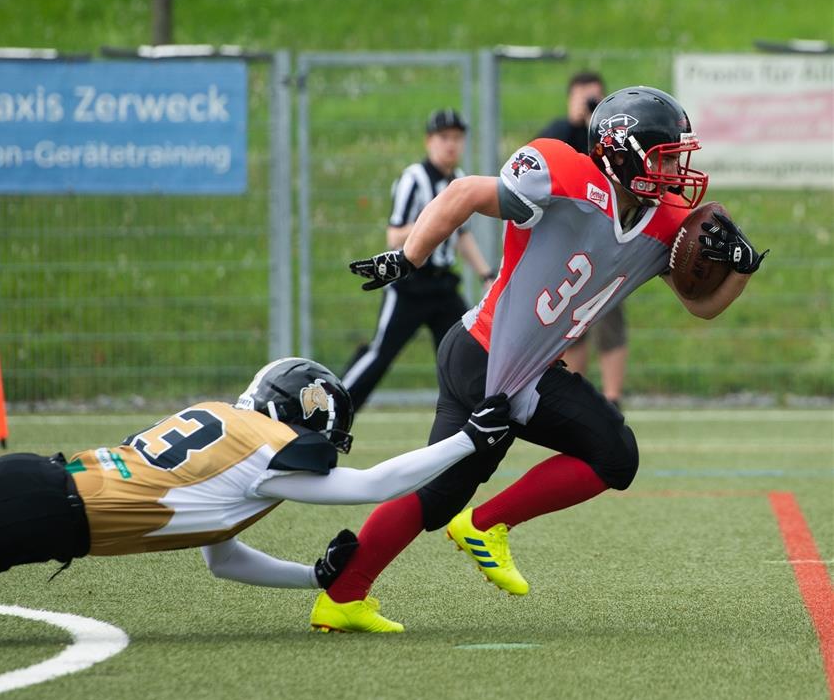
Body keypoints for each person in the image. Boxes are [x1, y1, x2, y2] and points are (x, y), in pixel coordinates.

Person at [321, 86, 767, 625]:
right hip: (484, 355)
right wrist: (407, 258)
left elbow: (703, 308)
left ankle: (461, 536)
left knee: (612, 456)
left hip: (529, 372)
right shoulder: (563, 174)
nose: (677, 170)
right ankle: (352, 590)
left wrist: (740, 270)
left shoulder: (667, 219)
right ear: (623, 152)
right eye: (665, 156)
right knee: (440, 495)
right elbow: (462, 193)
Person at [0, 358, 511, 636]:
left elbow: (218, 557)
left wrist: (310, 581)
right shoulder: (266, 453)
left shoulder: (231, 434)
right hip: (36, 510)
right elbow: (372, 483)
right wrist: (470, 440)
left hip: (36, 496)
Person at [341, 108, 496, 411]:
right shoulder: (414, 179)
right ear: (429, 141)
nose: (451, 144)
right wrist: (436, 220)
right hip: (410, 283)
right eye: (444, 137)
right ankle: (332, 408)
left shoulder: (460, 180)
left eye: (457, 138)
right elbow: (394, 235)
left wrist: (486, 273)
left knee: (466, 353)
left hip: (442, 286)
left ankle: (471, 423)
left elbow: (461, 235)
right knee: (379, 355)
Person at [538, 71, 627, 408]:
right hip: (569, 241)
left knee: (610, 317)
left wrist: (596, 124)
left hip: (606, 240)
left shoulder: (611, 139)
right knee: (570, 318)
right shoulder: (561, 132)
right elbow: (540, 156)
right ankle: (577, 392)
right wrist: (575, 121)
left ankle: (613, 397)